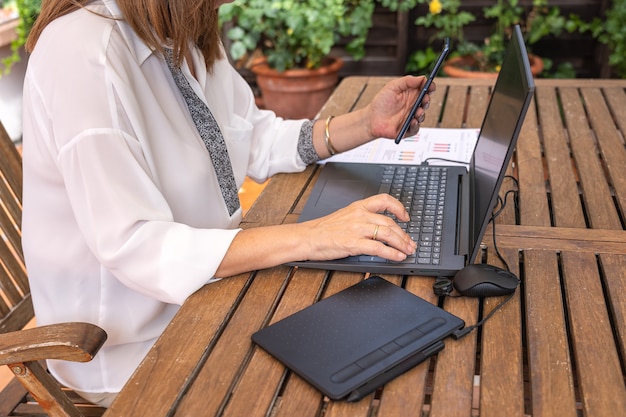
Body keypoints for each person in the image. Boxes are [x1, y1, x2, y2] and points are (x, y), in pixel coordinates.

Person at [21, 0, 434, 407]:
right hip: (129, 349)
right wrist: (313, 236)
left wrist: (366, 124)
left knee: (381, 331)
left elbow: (252, 136)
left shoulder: (185, 29)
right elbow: (136, 245)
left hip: (211, 293)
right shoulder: (82, 53)